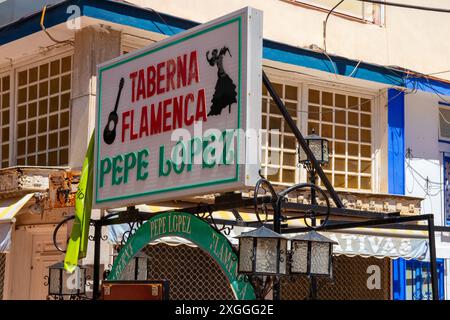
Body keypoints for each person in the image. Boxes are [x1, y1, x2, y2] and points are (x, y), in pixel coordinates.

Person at [206, 46, 237, 116]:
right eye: (213, 54)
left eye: (214, 54)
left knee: (226, 92)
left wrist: (229, 52)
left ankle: (229, 107)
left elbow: (224, 51)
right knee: (219, 94)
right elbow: (210, 62)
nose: (213, 55)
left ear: (216, 53)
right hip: (220, 77)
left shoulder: (219, 57)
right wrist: (207, 56)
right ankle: (218, 110)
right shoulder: (215, 59)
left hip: (223, 76)